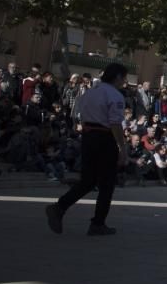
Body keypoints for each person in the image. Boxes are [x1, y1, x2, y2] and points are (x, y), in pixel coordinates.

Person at [45, 63, 129, 236]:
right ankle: (98, 223)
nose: (124, 81)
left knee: (88, 180)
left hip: (89, 137)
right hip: (105, 138)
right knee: (106, 184)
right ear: (118, 77)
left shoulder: (90, 92)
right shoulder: (115, 95)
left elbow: (79, 115)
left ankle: (60, 207)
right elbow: (115, 124)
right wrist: (122, 147)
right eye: (124, 77)